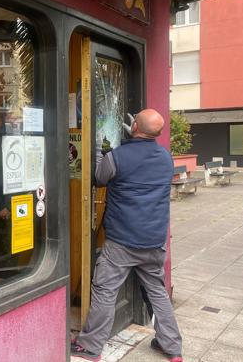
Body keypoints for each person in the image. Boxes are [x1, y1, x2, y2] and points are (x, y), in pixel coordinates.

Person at [71, 109, 183, 362]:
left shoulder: (118, 157)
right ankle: (171, 347)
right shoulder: (166, 158)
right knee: (157, 291)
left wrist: (104, 151)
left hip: (121, 242)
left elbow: (99, 179)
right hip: (154, 240)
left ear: (133, 127)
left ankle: (90, 347)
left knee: (104, 290)